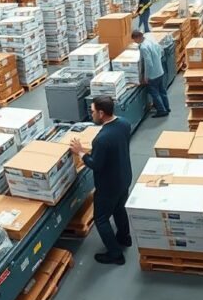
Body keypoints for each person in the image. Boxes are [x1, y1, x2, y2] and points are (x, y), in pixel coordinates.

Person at [70, 96, 134, 265]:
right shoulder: (124, 123)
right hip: (125, 177)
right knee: (119, 208)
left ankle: (115, 254)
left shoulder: (102, 139)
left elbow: (96, 165)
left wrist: (80, 152)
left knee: (101, 219)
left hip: (108, 186)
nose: (90, 114)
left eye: (92, 111)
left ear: (101, 113)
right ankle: (124, 237)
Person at [133, 30, 170, 117]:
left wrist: (145, 76)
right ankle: (166, 107)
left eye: (135, 40)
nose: (135, 42)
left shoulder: (143, 47)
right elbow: (160, 51)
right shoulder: (150, 41)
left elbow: (148, 63)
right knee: (162, 91)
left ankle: (162, 111)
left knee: (155, 93)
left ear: (138, 37)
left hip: (153, 74)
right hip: (160, 70)